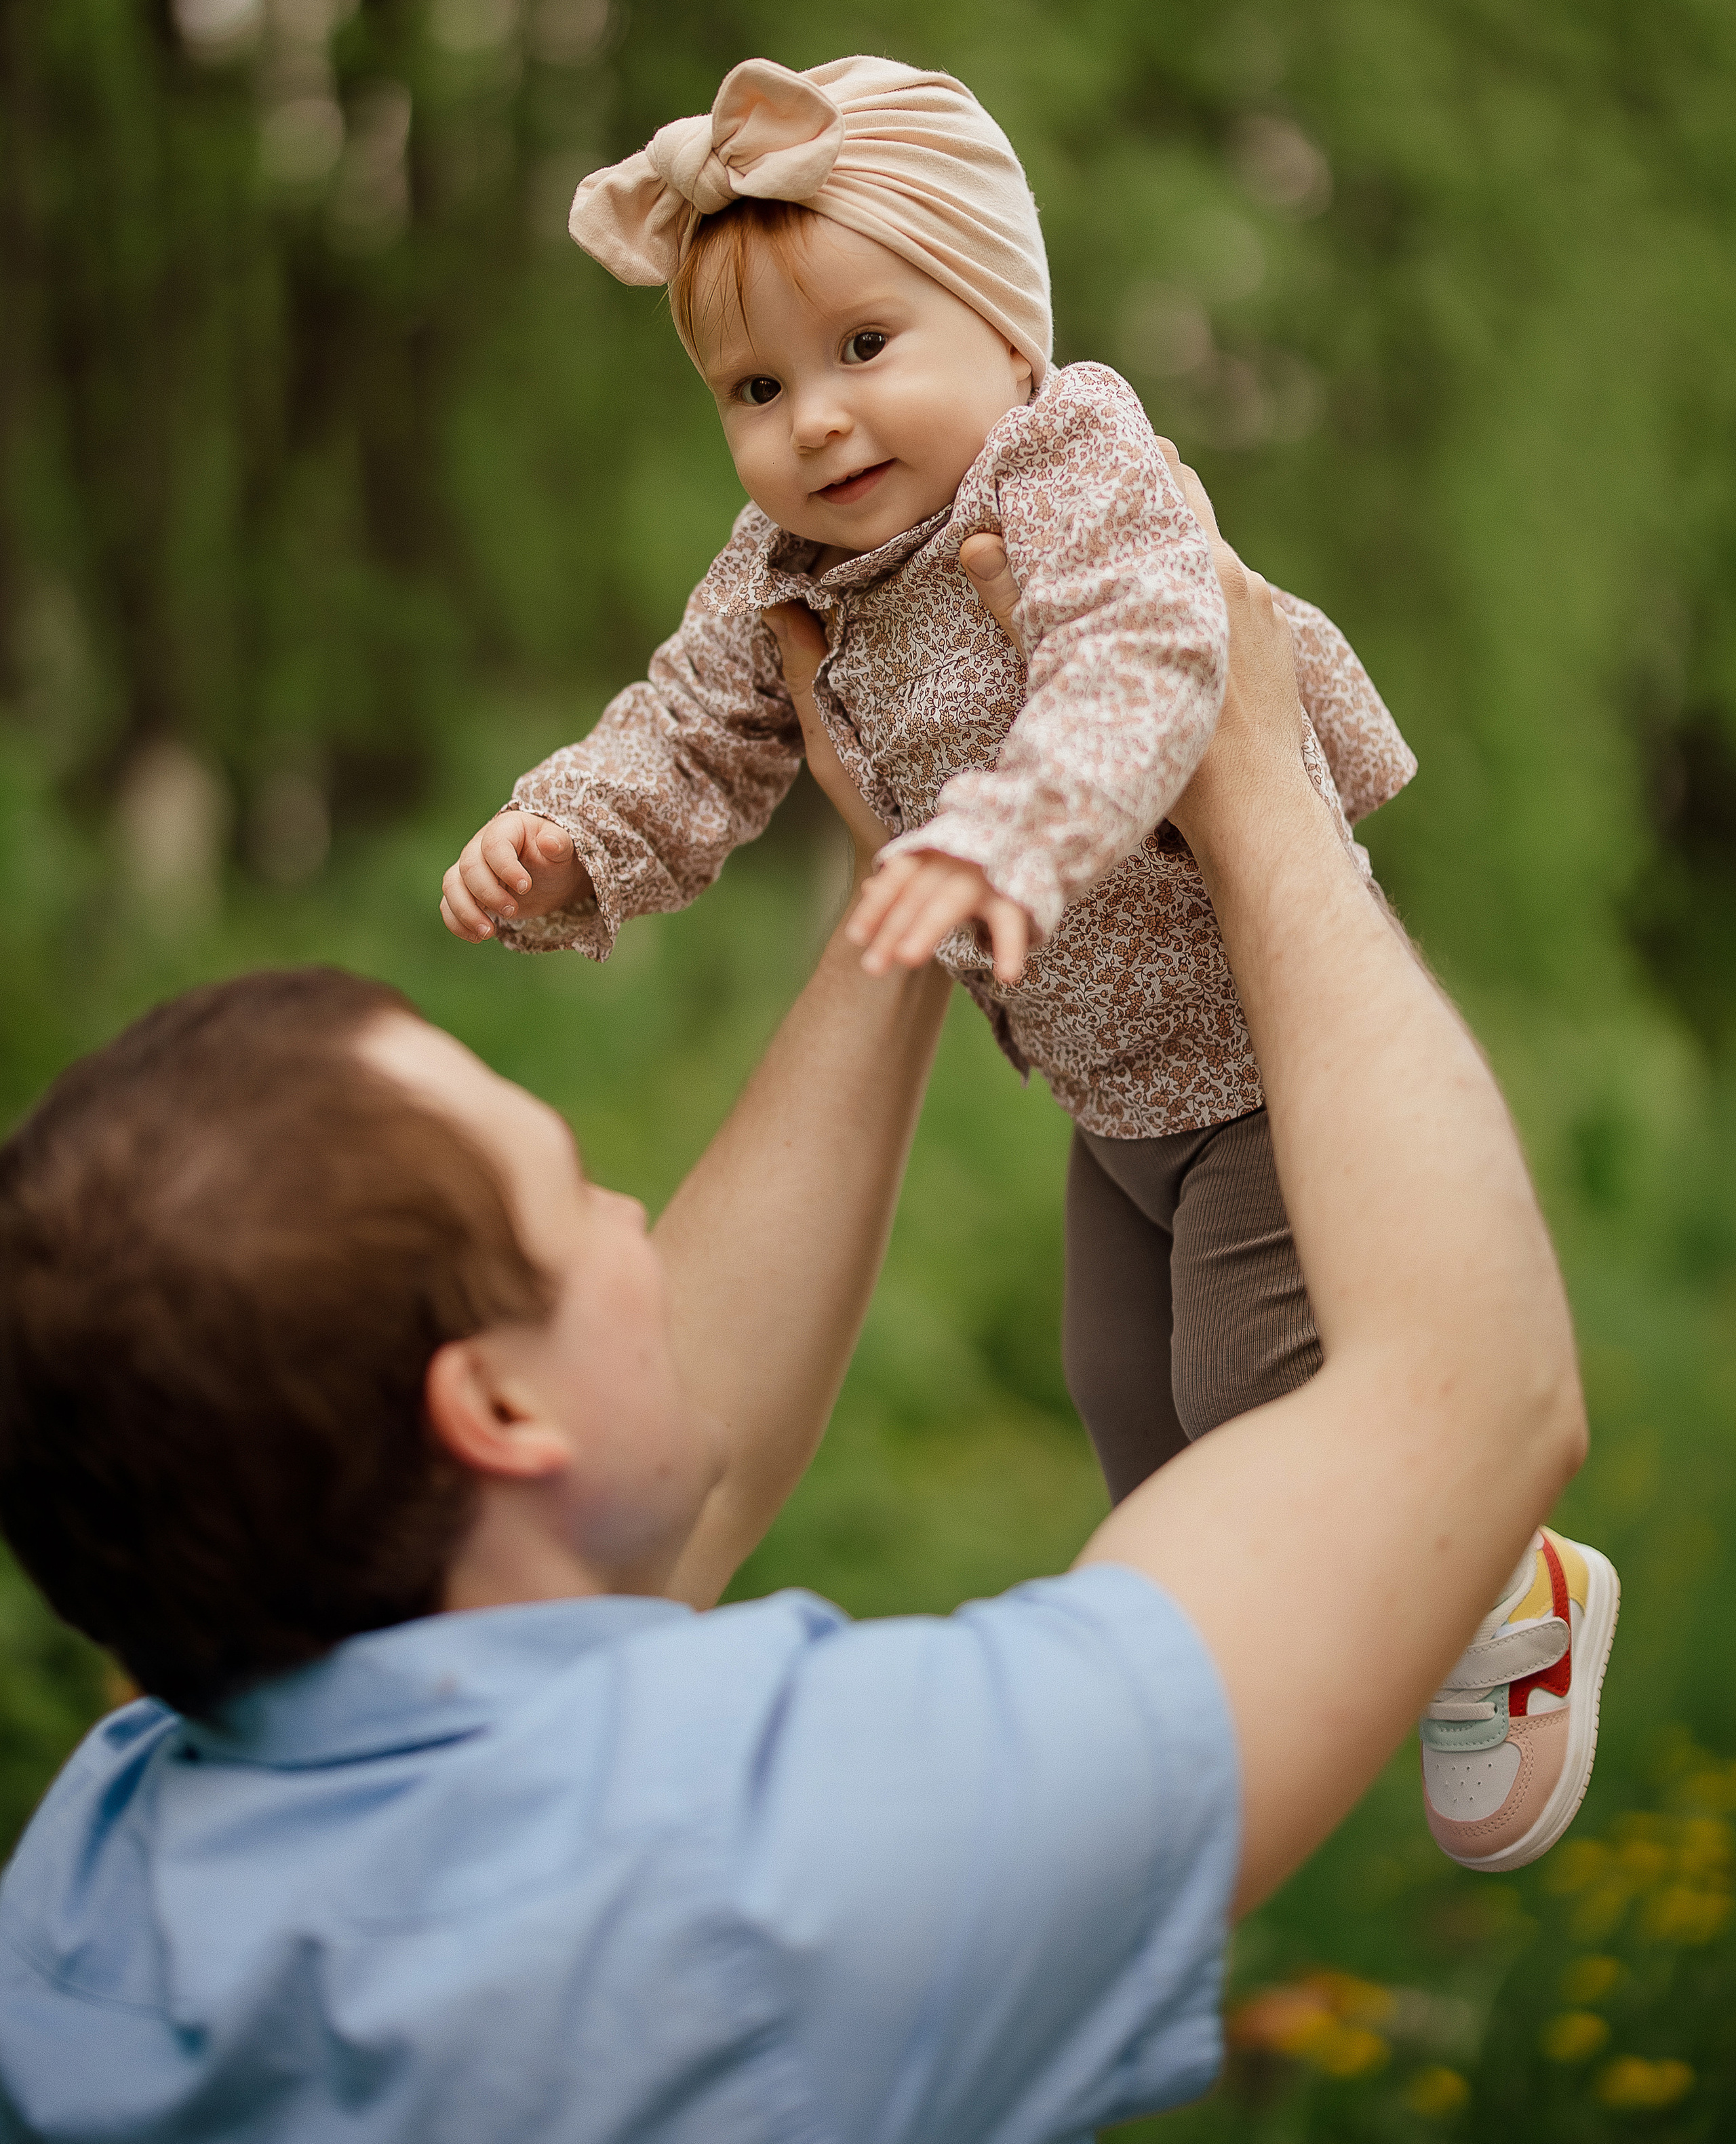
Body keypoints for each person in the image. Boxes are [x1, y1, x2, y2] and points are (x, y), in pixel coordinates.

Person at [0, 488, 1590, 2141]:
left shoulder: (98, 1870)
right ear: (493, 1413)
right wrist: (1254, 769)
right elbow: (1467, 1396)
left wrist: (908, 877)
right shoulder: (784, 1871)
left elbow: (665, 1455)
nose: (636, 1220)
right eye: (574, 1190)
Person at [439, 54, 1613, 1867]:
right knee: (1136, 1426)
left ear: (1005, 323)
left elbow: (1148, 668)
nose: (815, 424)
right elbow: (691, 732)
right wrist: (572, 835)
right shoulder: (785, 568)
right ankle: (1277, 1675)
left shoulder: (1078, 468)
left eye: (863, 347)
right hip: (1108, 1090)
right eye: (755, 388)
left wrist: (1003, 832)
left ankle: (1501, 1590)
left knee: (1256, 1404)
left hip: (1266, 1055)